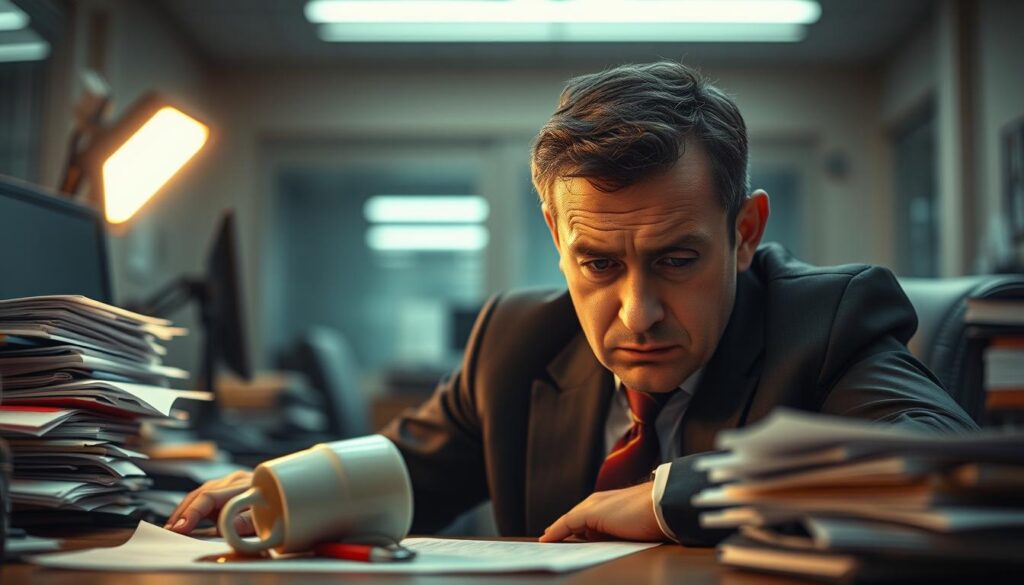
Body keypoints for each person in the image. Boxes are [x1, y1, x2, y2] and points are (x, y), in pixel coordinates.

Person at [165, 61, 977, 546]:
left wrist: (669, 496)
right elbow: (409, 469)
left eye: (677, 258)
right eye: (597, 261)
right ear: (556, 234)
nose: (636, 312)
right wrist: (286, 488)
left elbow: (948, 463)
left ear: (744, 232)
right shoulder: (518, 338)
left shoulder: (827, 320)